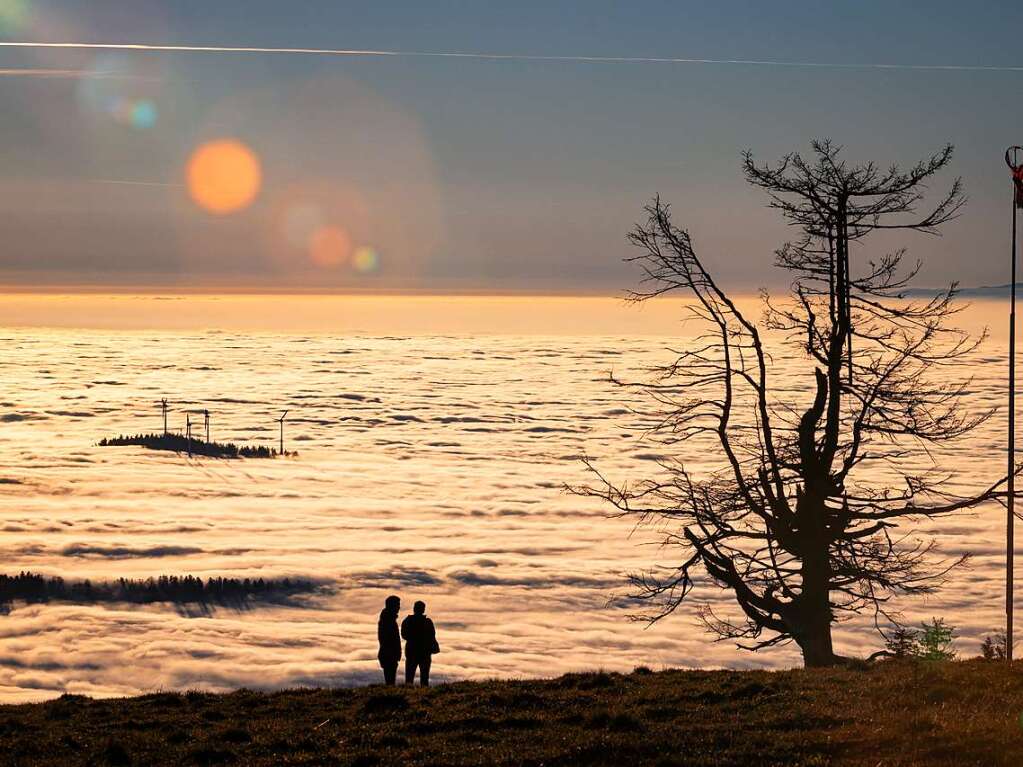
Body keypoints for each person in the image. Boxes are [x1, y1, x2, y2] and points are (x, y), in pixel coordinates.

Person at [400, 600, 439, 686]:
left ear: (414, 609)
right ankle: (423, 694)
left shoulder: (408, 621)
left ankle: (408, 693)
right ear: (423, 610)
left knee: (410, 677)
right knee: (424, 678)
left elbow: (404, 635)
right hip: (424, 652)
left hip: (412, 652)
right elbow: (432, 636)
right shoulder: (428, 622)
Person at [377, 595, 401, 685]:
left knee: (390, 681)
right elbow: (387, 639)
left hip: (389, 654)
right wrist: (394, 652)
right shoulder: (388, 620)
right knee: (390, 681)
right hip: (388, 654)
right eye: (397, 605)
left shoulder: (388, 619)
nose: (399, 607)